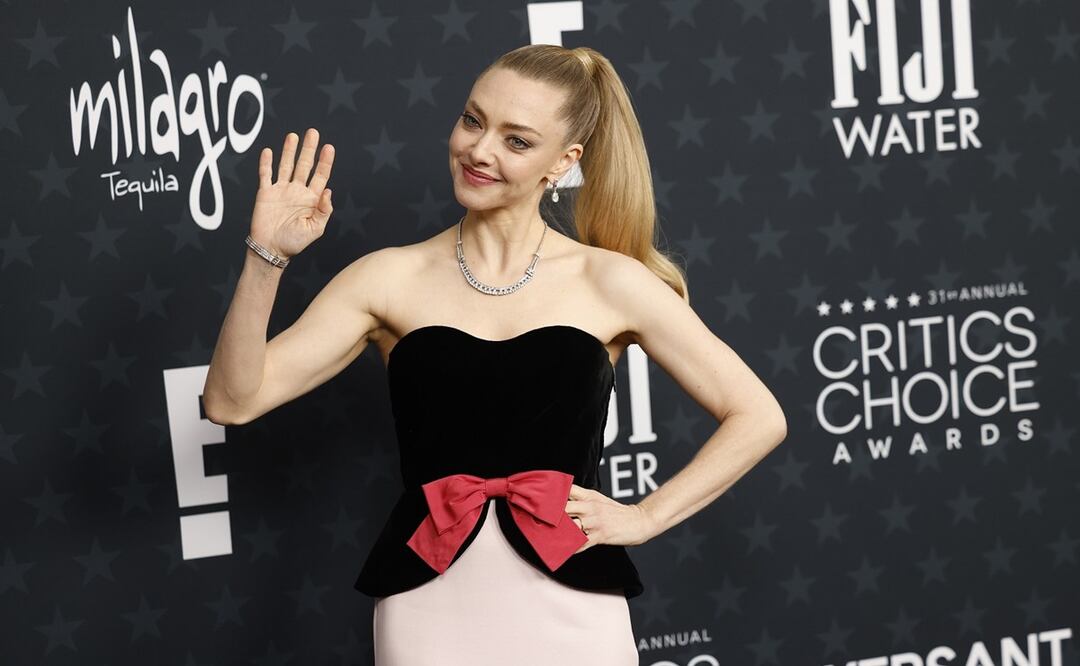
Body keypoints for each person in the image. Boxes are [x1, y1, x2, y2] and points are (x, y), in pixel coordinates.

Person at [203, 44, 787, 666]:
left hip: (575, 605)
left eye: (517, 140)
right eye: (473, 121)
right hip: (427, 605)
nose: (480, 151)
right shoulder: (386, 279)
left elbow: (759, 416)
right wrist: (267, 258)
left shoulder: (610, 282)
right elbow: (232, 402)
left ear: (562, 163)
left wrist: (645, 516)